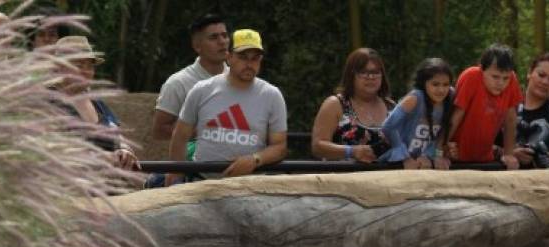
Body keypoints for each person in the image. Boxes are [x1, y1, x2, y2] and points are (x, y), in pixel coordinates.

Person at [167, 29, 287, 183]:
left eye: (255, 58)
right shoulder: (202, 90)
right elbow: (180, 135)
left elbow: (280, 146)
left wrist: (256, 159)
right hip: (202, 181)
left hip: (250, 185)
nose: (249, 64)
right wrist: (175, 173)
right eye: (243, 57)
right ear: (229, 57)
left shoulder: (272, 95)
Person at [53, 36, 139, 170]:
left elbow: (116, 133)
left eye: (90, 66)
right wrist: (103, 157)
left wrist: (125, 149)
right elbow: (54, 149)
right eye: (79, 65)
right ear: (59, 68)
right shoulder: (48, 102)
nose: (86, 71)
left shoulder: (97, 102)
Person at [153, 14, 229, 142]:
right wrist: (208, 130)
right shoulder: (178, 83)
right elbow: (159, 132)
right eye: (213, 37)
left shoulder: (241, 80)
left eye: (225, 35)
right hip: (194, 160)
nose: (222, 42)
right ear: (197, 46)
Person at [310, 48, 394, 163]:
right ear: (351, 75)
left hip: (388, 178)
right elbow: (317, 146)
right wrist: (351, 151)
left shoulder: (391, 106)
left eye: (376, 72)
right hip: (344, 177)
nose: (370, 77)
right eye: (363, 72)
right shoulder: (335, 104)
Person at [449, 44, 522, 169]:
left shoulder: (512, 80)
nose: (501, 83)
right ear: (482, 69)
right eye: (495, 77)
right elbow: (456, 115)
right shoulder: (471, 76)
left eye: (505, 78)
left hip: (485, 158)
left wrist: (509, 154)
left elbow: (510, 119)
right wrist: (440, 150)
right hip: (456, 155)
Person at [380, 58, 454, 170]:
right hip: (395, 161)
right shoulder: (415, 98)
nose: (441, 90)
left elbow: (440, 134)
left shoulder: (450, 98)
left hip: (423, 160)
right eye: (435, 84)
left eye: (445, 84)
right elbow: (388, 126)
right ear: (424, 83)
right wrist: (404, 157)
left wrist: (432, 156)